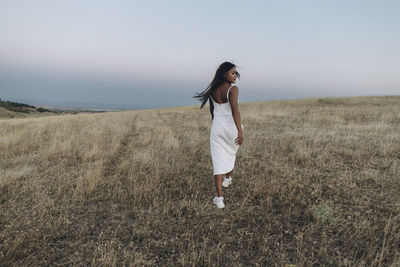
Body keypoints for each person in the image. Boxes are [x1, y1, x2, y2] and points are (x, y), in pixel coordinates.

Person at [193, 62, 244, 209]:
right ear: (224, 74)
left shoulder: (213, 89)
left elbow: (212, 109)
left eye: (235, 73)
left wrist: (215, 120)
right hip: (231, 128)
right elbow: (235, 111)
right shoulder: (233, 89)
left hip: (217, 128)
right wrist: (240, 132)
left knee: (218, 161)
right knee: (230, 153)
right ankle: (227, 178)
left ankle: (220, 199)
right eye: (233, 73)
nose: (235, 76)